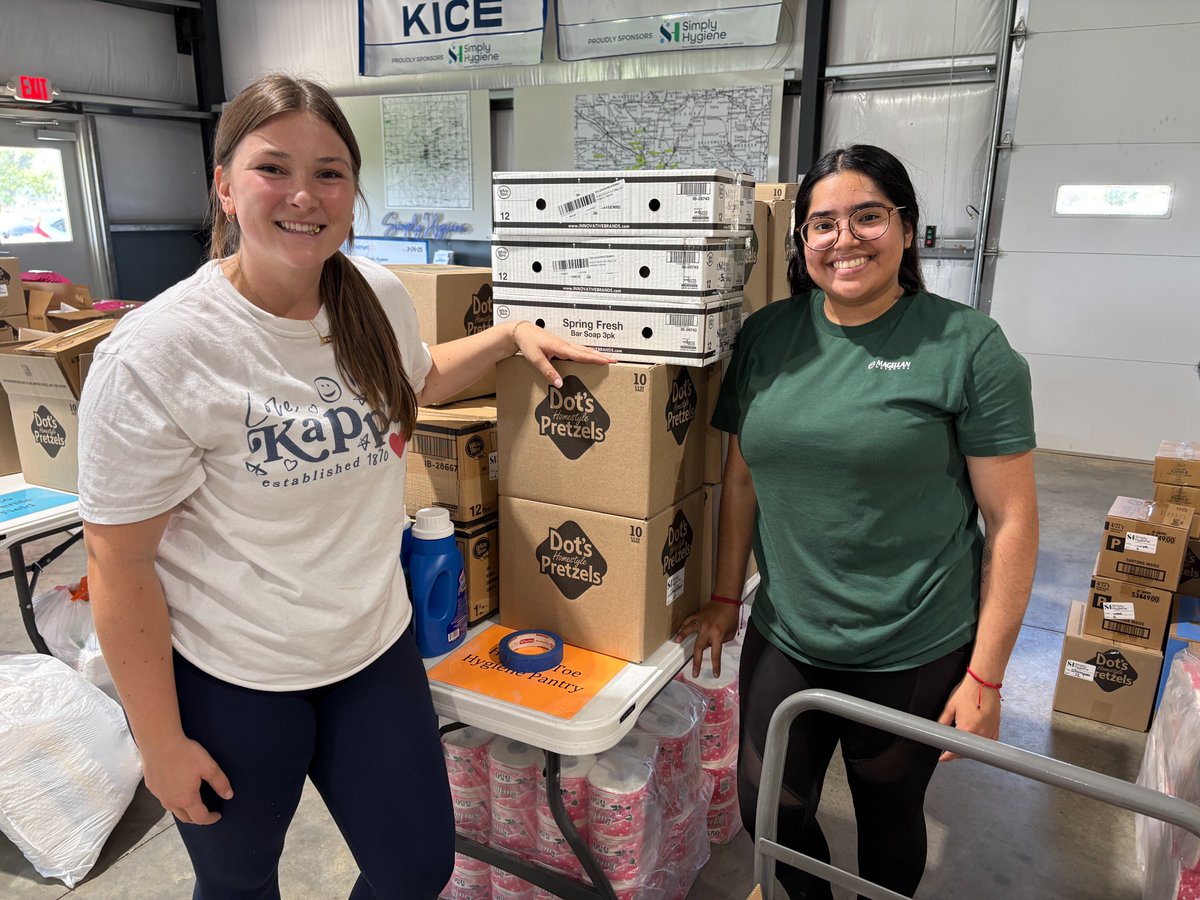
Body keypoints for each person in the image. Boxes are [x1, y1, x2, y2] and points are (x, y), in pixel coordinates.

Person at [77, 74, 609, 900]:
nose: (303, 195)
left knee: (414, 867)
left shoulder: (373, 295)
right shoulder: (159, 352)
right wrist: (160, 741)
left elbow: (422, 379)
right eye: (272, 169)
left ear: (354, 192)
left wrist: (507, 335)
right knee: (241, 884)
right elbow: (118, 566)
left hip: (370, 651)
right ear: (223, 185)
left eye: (329, 172)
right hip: (235, 676)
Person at [675, 144, 1038, 899]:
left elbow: (1011, 522)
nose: (844, 239)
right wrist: (718, 598)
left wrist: (987, 676)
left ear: (907, 230)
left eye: (867, 216)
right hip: (790, 632)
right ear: (802, 241)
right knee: (767, 810)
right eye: (822, 224)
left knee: (889, 817)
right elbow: (740, 479)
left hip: (913, 643)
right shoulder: (769, 337)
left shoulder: (968, 348)